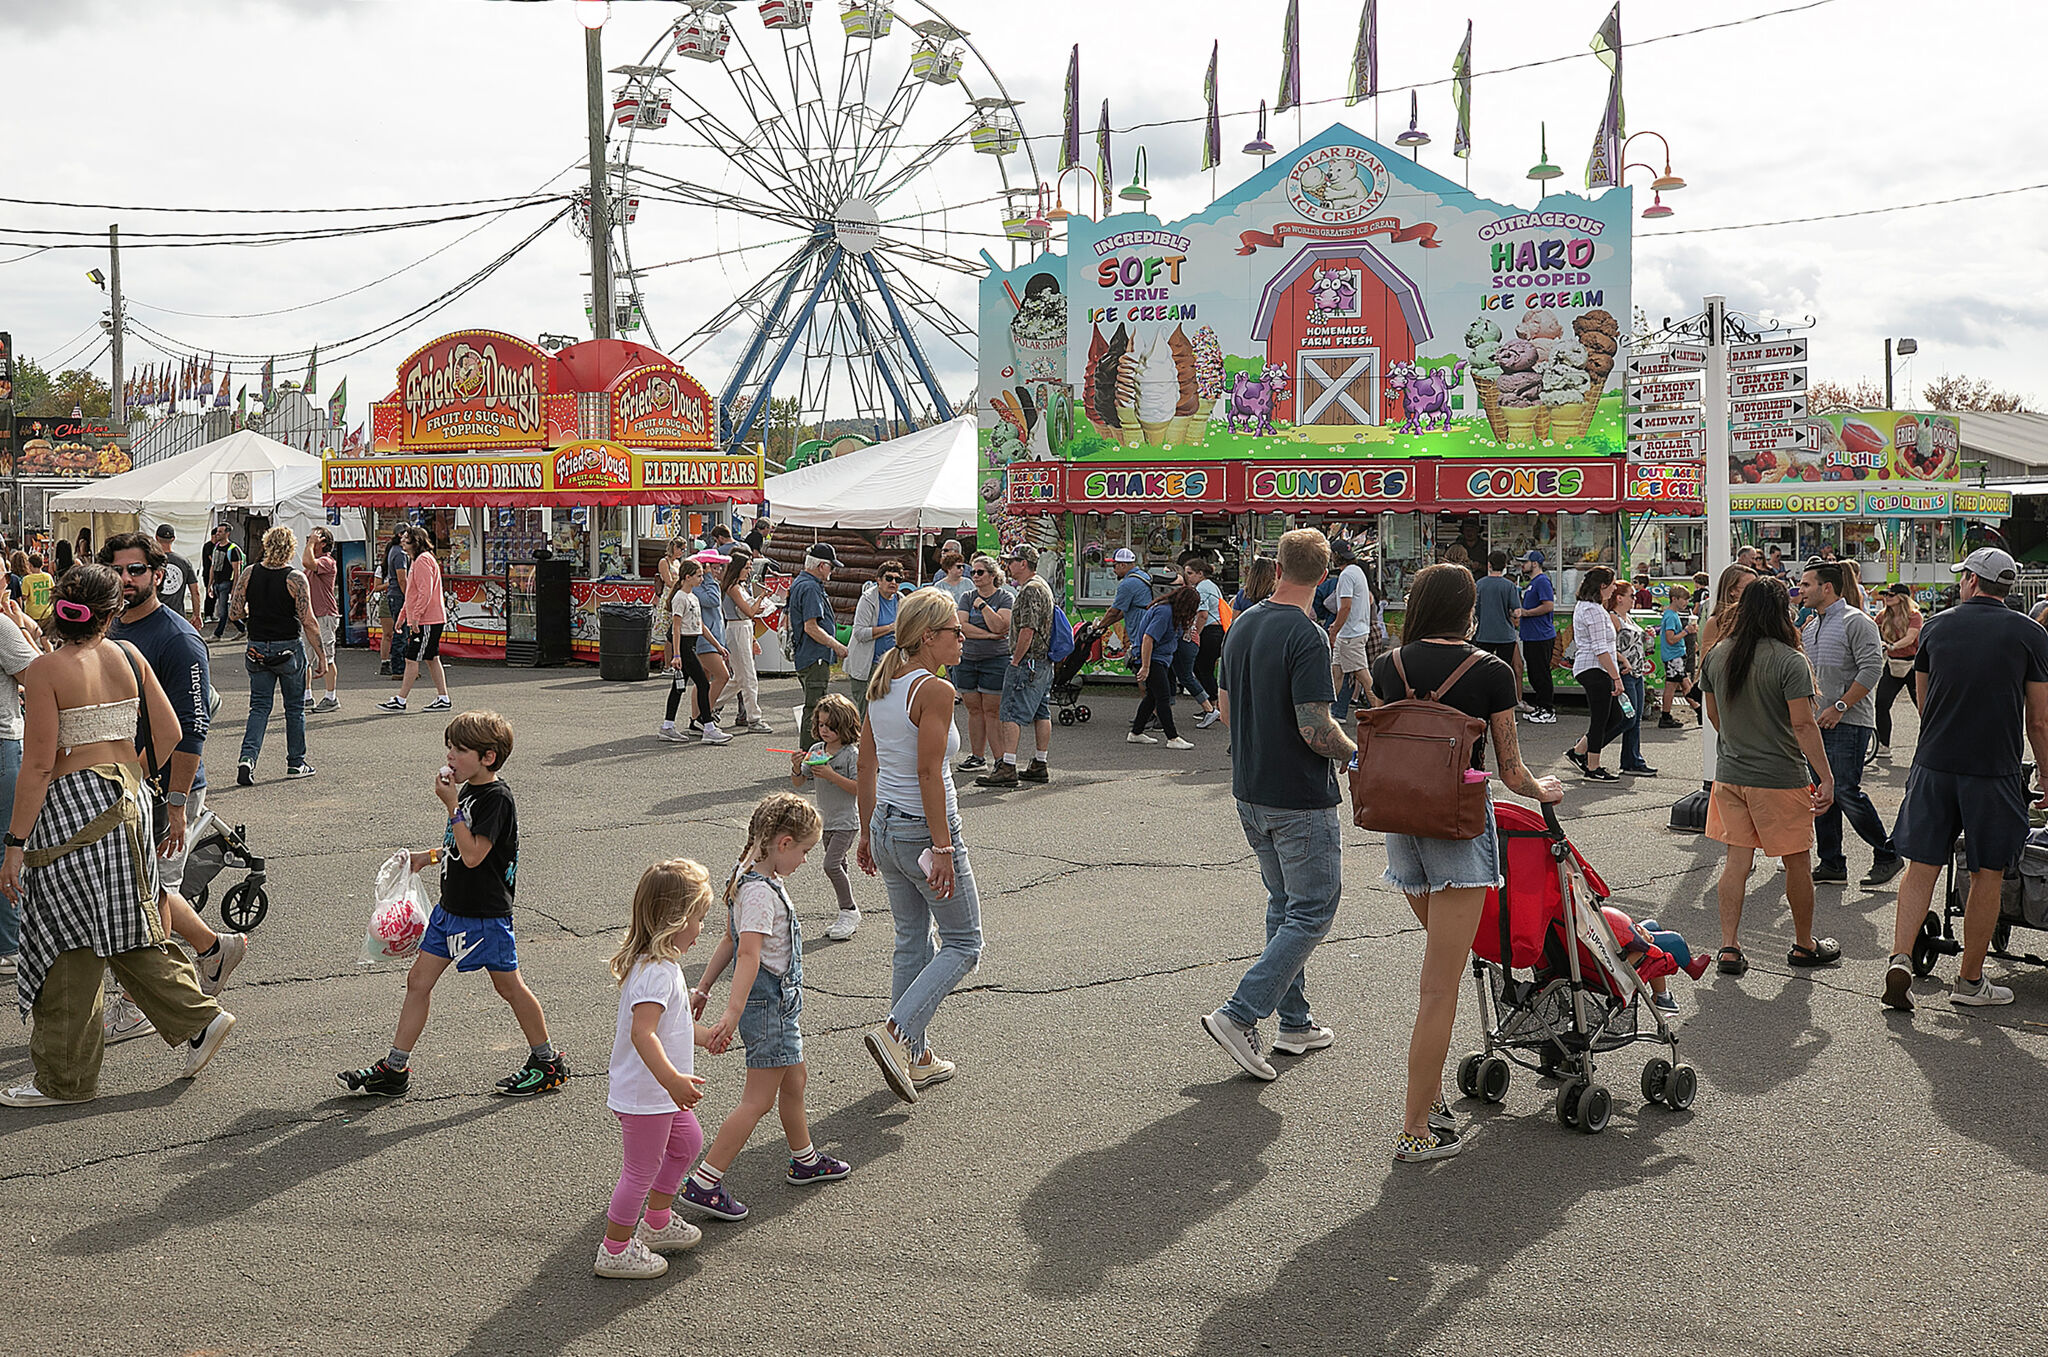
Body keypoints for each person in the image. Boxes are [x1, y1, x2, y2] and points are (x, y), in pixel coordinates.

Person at [0, 566, 237, 1107]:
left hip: (70, 811)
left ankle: (64, 1079)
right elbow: (172, 731)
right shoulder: (130, 657)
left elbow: (38, 767)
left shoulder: (45, 671)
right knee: (126, 924)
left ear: (57, 608)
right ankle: (199, 1018)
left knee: (65, 938)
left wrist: (13, 847)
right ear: (111, 614)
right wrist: (131, 774)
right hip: (126, 801)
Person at [1369, 563, 1565, 1161]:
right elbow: (1511, 771)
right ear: (1468, 610)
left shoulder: (1389, 665)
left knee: (1443, 969)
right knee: (1440, 987)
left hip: (1400, 820)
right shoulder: (1491, 671)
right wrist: (1545, 791)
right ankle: (1413, 1132)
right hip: (1457, 824)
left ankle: (1429, 1106)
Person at [340, 710, 568, 1096]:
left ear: (488, 757)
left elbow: (476, 853)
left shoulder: (496, 799)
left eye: (461, 749)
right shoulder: (470, 794)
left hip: (484, 915)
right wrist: (425, 858)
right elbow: (457, 848)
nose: (450, 756)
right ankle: (395, 1070)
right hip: (450, 911)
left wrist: (451, 806)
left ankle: (547, 1062)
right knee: (418, 982)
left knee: (509, 988)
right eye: (449, 746)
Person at [1203, 528, 1354, 1083]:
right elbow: (1316, 728)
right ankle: (1241, 1013)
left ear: (1280, 565)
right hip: (1298, 794)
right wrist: (1354, 753)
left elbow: (1223, 709)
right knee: (1313, 909)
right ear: (1325, 573)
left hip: (1251, 787)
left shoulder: (1242, 622)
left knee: (1285, 905)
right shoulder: (1309, 636)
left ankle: (1294, 1022)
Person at [1883, 548, 2048, 1011]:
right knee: (1987, 872)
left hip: (1934, 762)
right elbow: (2039, 720)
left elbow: (1922, 695)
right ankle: (1970, 981)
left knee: (1921, 866)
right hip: (1994, 768)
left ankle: (1900, 957)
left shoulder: (1936, 626)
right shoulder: (2031, 634)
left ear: (1974, 581)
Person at [682, 793, 852, 1221]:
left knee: (794, 1081)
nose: (806, 860)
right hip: (769, 1005)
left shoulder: (745, 873)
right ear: (783, 842)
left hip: (776, 1005)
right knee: (756, 1101)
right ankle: (705, 1180)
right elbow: (748, 955)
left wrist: (702, 987)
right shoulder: (759, 894)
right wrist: (732, 1012)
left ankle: (805, 1159)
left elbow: (728, 939)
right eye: (805, 851)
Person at [101, 532, 247, 1002]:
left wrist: (180, 803)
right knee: (144, 888)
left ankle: (147, 1003)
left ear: (159, 577)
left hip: (166, 787)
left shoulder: (178, 639)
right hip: (124, 780)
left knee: (151, 892)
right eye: (117, 570)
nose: (126, 579)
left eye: (136, 570)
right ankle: (214, 948)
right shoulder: (113, 626)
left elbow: (192, 727)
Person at [855, 589, 980, 1103]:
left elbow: (867, 763)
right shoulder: (934, 690)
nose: (963, 637)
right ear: (929, 636)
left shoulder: (884, 681)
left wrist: (865, 833)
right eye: (955, 631)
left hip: (887, 824)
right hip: (922, 831)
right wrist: (944, 847)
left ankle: (916, 1056)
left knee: (912, 940)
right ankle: (897, 1031)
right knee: (964, 943)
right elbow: (930, 771)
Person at [1700, 576, 1837, 977]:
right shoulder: (1789, 659)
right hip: (1779, 776)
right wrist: (1825, 777)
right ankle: (1803, 944)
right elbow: (1804, 725)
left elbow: (1712, 716)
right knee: (1797, 863)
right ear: (1782, 611)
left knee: (1736, 862)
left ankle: (1729, 946)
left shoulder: (1718, 654)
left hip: (1731, 773)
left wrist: (1739, 742)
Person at [595, 859, 714, 1279]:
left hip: (661, 1094)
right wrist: (673, 1081)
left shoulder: (663, 967)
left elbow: (671, 1026)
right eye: (698, 918)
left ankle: (658, 1222)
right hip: (648, 1095)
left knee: (687, 1143)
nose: (701, 927)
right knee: (640, 1170)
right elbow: (643, 1034)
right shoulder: (655, 974)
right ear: (674, 919)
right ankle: (615, 1248)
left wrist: (704, 1035)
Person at [1800, 559, 1900, 888]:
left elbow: (1871, 669)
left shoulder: (1856, 621)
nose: (1800, 590)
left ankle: (1887, 853)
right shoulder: (1812, 626)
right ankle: (1831, 862)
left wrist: (1841, 706)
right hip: (1817, 723)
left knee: (1844, 790)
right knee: (1822, 792)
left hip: (1848, 721)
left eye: (1806, 584)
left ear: (1826, 588)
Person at [229, 527, 324, 784]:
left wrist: (254, 612)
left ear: (267, 545)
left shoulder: (250, 573)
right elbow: (309, 621)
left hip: (257, 646)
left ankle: (247, 759)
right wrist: (322, 656)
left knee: (259, 707)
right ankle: (296, 762)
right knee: (294, 708)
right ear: (291, 548)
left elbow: (234, 612)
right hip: (288, 647)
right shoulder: (295, 578)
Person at [977, 543, 1055, 789]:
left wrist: (1016, 659)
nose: (1008, 566)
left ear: (1023, 564)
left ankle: (1007, 766)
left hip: (1028, 660)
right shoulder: (1042, 585)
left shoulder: (1030, 590)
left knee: (1010, 712)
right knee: (1041, 711)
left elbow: (1028, 628)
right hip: (1042, 661)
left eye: (1012, 561)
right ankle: (1039, 763)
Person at [791, 692, 863, 941]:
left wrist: (832, 775)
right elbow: (800, 781)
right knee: (839, 864)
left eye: (831, 726)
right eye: (821, 725)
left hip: (846, 821)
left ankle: (849, 910)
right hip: (825, 820)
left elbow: (859, 788)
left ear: (845, 726)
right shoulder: (816, 749)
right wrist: (796, 766)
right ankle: (846, 913)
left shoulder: (851, 754)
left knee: (830, 865)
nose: (824, 730)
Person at [0, 591, 41, 978]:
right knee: (8, 844)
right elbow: (43, 677)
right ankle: (9, 945)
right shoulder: (2, 625)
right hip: (3, 742)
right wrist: (26, 626)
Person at [379, 528, 450, 713]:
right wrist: (403, 616)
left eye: (405, 539)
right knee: (431, 658)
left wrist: (415, 617)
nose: (402, 542)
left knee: (412, 658)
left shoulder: (422, 561)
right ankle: (443, 697)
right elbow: (413, 593)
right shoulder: (420, 560)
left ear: (415, 542)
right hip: (429, 618)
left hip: (427, 619)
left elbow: (424, 593)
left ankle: (401, 699)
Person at [655, 560, 726, 745]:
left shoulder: (693, 597)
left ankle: (668, 726)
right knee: (703, 683)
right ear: (688, 577)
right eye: (699, 575)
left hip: (691, 642)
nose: (702, 579)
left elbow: (700, 626)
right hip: (685, 645)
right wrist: (676, 655)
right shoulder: (680, 598)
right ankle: (708, 727)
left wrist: (718, 646)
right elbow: (676, 628)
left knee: (678, 687)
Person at [952, 555, 1011, 775]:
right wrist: (987, 636)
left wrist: (984, 606)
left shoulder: (1005, 598)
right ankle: (977, 757)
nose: (974, 576)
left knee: (991, 710)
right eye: (973, 572)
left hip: (995, 660)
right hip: (968, 658)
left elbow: (999, 627)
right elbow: (962, 626)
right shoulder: (967, 597)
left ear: (993, 576)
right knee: (974, 709)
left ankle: (1000, 759)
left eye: (980, 572)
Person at [1564, 567, 1622, 781]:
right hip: (1594, 667)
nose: (1615, 588)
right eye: (1613, 584)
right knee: (1601, 718)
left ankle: (1579, 751)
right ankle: (1593, 766)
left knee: (1615, 716)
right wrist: (1615, 677)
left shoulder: (1590, 606)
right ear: (1602, 586)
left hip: (1595, 667)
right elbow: (1599, 648)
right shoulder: (1594, 610)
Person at [787, 544, 847, 750]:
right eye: (831, 566)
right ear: (822, 565)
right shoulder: (810, 587)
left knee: (815, 707)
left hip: (807, 653)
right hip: (814, 655)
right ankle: (809, 756)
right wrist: (837, 645)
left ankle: (810, 755)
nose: (832, 571)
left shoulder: (801, 582)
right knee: (815, 709)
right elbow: (811, 627)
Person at [1127, 585, 1199, 751]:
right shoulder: (1165, 612)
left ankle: (1136, 732)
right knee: (1163, 697)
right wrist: (1145, 667)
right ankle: (1172, 737)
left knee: (1153, 696)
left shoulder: (1168, 610)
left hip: (1159, 658)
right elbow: (1148, 638)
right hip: (1153, 658)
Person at [720, 548, 772, 734]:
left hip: (743, 627)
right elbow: (750, 611)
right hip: (738, 627)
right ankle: (754, 717)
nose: (749, 571)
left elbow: (750, 611)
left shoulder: (739, 586)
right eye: (747, 567)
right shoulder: (733, 587)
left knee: (740, 678)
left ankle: (711, 706)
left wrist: (758, 602)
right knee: (748, 676)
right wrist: (761, 598)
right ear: (738, 568)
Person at [1609, 576, 1656, 777]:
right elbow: (1608, 645)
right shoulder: (1613, 617)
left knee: (1635, 719)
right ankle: (1589, 745)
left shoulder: (1628, 617)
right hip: (1625, 672)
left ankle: (1632, 760)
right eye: (1631, 595)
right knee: (1628, 717)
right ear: (1619, 598)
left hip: (1636, 672)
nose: (1634, 598)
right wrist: (1622, 661)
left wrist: (1648, 635)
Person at [845, 560, 904, 719]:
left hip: (891, 664)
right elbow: (860, 633)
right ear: (878, 580)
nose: (893, 582)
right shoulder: (867, 599)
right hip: (867, 665)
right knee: (867, 714)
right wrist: (890, 628)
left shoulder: (901, 600)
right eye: (889, 578)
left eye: (898, 580)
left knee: (888, 713)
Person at [1326, 538, 1377, 723]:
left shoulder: (1346, 575)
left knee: (1362, 675)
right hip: (1355, 631)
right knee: (1337, 671)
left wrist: (1334, 630)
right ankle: (1330, 712)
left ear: (1336, 556)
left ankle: (1382, 711)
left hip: (1350, 634)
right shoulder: (1357, 571)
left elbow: (1345, 606)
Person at [1874, 583, 1923, 757]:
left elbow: (1910, 638)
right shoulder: (1882, 617)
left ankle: (1928, 743)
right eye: (1886, 595)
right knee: (1881, 703)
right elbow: (1873, 633)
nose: (1887, 597)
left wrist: (1892, 646)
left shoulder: (1914, 616)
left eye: (1891, 595)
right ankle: (1883, 745)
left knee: (1922, 706)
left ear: (1901, 598)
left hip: (1913, 665)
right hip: (1893, 663)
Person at [690, 557, 733, 736]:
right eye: (714, 568)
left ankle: (696, 719)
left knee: (703, 681)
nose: (718, 572)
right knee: (723, 676)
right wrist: (708, 578)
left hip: (712, 638)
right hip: (705, 641)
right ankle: (703, 717)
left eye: (720, 568)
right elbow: (714, 601)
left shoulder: (706, 585)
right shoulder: (700, 587)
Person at [301, 527, 342, 714]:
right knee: (305, 658)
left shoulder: (327, 561)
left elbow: (307, 562)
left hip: (324, 616)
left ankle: (331, 697)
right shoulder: (316, 561)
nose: (308, 539)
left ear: (323, 543)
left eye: (313, 537)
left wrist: (310, 543)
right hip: (310, 617)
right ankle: (307, 695)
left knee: (327, 656)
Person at [1472, 552, 1521, 700]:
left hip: (1483, 634)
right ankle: (1503, 702)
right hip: (1505, 636)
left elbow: (1474, 610)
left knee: (1482, 671)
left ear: (1489, 565)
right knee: (1504, 671)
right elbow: (1517, 612)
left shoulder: (1479, 584)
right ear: (1505, 566)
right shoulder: (1509, 586)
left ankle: (1482, 701)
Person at [1517, 550, 1558, 723]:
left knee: (1540, 673)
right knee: (1534, 673)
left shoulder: (1541, 581)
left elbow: (1548, 605)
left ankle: (1548, 709)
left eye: (1525, 562)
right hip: (1531, 635)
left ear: (1534, 563)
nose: (1522, 565)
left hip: (1540, 635)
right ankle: (1541, 707)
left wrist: (1526, 613)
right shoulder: (1533, 583)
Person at [1097, 547, 1154, 663]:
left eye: (1114, 566)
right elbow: (1122, 612)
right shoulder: (1143, 575)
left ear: (1123, 565)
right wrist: (1105, 625)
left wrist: (1099, 626)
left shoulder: (1128, 584)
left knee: (1139, 666)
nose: (1113, 570)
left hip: (1139, 630)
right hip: (1148, 626)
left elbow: (1114, 611)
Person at [1657, 585, 1696, 728]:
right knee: (1674, 686)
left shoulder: (1670, 615)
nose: (1686, 603)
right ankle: (1666, 716)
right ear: (1674, 599)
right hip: (1674, 656)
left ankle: (1698, 710)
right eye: (1684, 599)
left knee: (1681, 684)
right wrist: (1687, 631)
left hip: (1675, 656)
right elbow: (1671, 638)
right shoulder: (1671, 616)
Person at [152, 524, 202, 622]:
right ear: (173, 539)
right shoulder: (184, 562)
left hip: (153, 614)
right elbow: (195, 591)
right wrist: (197, 615)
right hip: (177, 616)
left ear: (156, 537)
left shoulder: (151, 561)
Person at [377, 527, 409, 677]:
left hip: (393, 595)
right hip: (398, 596)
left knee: (397, 631)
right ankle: (399, 668)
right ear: (400, 535)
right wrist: (408, 595)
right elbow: (402, 579)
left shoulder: (394, 551)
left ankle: (400, 666)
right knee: (400, 632)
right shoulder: (400, 554)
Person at [203, 526, 244, 640]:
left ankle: (218, 634)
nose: (217, 534)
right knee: (226, 610)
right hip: (217, 583)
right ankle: (242, 628)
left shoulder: (232, 549)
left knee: (223, 611)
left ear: (227, 533)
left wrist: (234, 587)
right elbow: (213, 566)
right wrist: (210, 584)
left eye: (220, 532)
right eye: (217, 531)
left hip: (227, 583)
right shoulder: (216, 547)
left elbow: (237, 571)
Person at [655, 539, 686, 674]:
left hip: (677, 598)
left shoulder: (677, 563)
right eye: (681, 549)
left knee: (675, 632)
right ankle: (667, 665)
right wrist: (681, 583)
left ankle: (674, 663)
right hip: (668, 599)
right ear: (674, 548)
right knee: (669, 634)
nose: (682, 552)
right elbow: (668, 581)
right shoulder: (664, 562)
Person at [19, 552, 52, 626]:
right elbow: (53, 591)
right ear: (42, 565)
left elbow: (24, 596)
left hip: (32, 614)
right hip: (46, 613)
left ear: (30, 565)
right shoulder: (48, 577)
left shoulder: (27, 579)